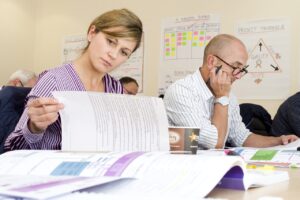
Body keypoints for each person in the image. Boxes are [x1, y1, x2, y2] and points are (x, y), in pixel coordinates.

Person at [4, 8, 143, 150]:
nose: (113, 54)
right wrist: (34, 128)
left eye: (123, 52)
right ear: (92, 33)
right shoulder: (54, 81)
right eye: (110, 41)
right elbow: (12, 149)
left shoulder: (115, 89)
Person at [163, 34, 298, 149]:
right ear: (211, 61)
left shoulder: (228, 95)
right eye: (235, 67)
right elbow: (215, 144)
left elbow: (241, 137)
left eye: (242, 70)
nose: (238, 76)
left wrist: (279, 141)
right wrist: (221, 98)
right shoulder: (181, 91)